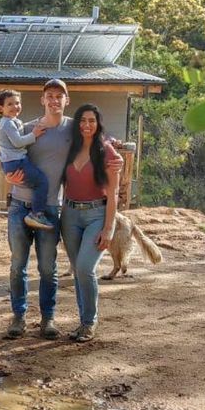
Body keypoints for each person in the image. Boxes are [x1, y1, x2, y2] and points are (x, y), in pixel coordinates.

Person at [4, 78, 122, 341]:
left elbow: (100, 136)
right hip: (19, 206)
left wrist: (117, 154)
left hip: (49, 208)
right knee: (17, 265)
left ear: (67, 100)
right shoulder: (27, 128)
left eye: (60, 96)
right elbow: (8, 155)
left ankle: (48, 319)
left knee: (48, 267)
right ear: (42, 100)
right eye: (50, 96)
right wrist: (7, 177)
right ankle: (19, 317)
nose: (54, 100)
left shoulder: (74, 128)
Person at [60, 104, 121, 343]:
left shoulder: (107, 152)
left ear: (98, 124)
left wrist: (109, 228)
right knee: (78, 271)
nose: (87, 125)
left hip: (97, 214)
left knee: (86, 268)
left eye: (92, 121)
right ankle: (83, 321)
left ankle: (90, 321)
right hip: (70, 215)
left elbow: (114, 193)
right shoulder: (68, 149)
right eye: (83, 120)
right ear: (77, 124)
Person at [0, 89, 51, 230]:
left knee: (33, 181)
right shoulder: (7, 124)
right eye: (10, 104)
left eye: (18, 103)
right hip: (16, 162)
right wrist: (35, 134)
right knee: (41, 181)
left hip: (12, 162)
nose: (15, 106)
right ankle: (36, 214)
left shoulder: (12, 121)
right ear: (0, 108)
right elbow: (18, 142)